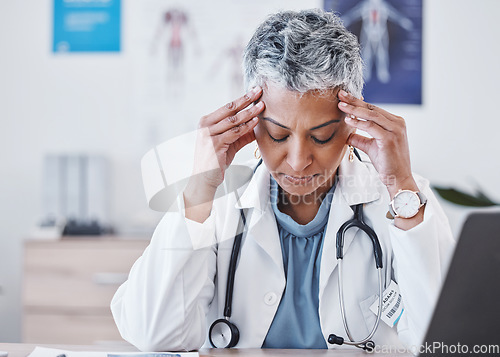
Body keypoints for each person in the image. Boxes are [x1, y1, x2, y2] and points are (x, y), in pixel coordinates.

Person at [111, 8, 455, 352]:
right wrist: (200, 187)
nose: (298, 160)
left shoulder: (402, 202)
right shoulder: (217, 204)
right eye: (277, 134)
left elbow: (445, 343)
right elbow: (154, 334)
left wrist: (401, 187)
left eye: (320, 137)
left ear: (353, 120)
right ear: (251, 122)